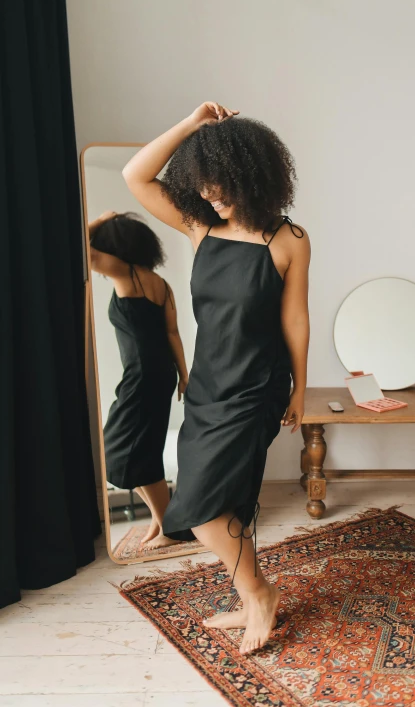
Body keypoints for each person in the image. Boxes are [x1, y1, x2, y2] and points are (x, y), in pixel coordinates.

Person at [122, 102, 310, 654]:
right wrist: (190, 124)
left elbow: (295, 320)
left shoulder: (288, 239)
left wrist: (300, 386)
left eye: (220, 186)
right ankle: (250, 596)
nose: (209, 197)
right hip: (208, 384)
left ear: (253, 176)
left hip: (257, 385)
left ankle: (260, 594)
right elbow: (138, 175)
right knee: (223, 497)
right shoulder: (201, 228)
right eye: (202, 187)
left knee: (202, 506)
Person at [89, 211, 189, 549]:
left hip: (144, 376)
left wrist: (99, 221)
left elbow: (78, 249)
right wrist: (183, 375)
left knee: (135, 453)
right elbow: (172, 333)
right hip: (157, 374)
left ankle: (172, 530)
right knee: (132, 450)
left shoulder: (125, 276)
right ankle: (161, 522)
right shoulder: (159, 283)